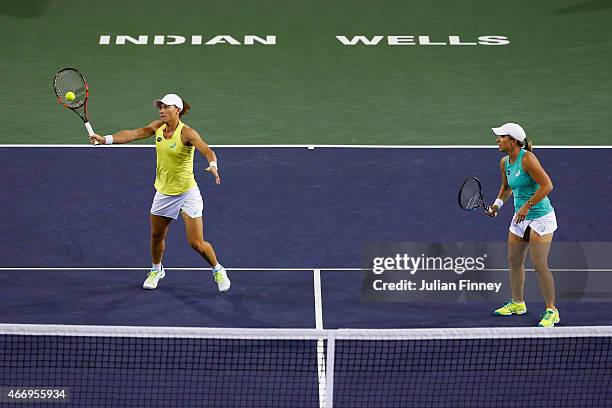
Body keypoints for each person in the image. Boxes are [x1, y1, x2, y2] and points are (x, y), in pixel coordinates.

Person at [89, 93, 230, 292]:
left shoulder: (187, 133)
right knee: (156, 235)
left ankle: (217, 269)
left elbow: (206, 150)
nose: (162, 110)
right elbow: (133, 134)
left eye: (166, 107)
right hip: (164, 193)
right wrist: (105, 139)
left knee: (196, 242)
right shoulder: (157, 127)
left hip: (187, 193)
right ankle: (157, 270)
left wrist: (213, 165)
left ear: (177, 110)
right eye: (160, 107)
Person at [487, 123, 558, 327]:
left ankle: (552, 310)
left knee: (539, 264)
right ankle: (518, 303)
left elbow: (547, 185)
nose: (497, 140)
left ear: (514, 140)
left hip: (541, 217)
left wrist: (527, 206)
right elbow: (506, 187)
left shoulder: (527, 159)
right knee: (514, 261)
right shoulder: (504, 162)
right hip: (520, 217)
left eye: (502, 137)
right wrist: (496, 206)